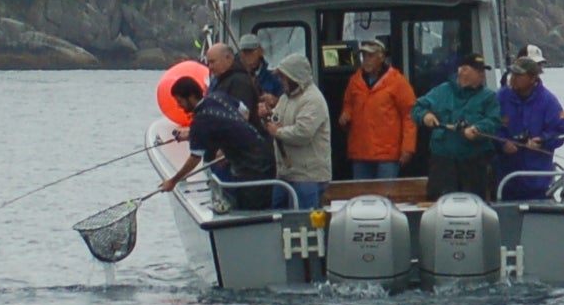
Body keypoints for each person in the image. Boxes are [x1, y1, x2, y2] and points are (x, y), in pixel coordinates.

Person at [161, 55, 276, 204]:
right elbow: (244, 112)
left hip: (251, 167)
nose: (179, 106)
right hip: (265, 154)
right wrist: (230, 145)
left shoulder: (201, 120)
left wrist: (173, 181)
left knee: (249, 206)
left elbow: (195, 158)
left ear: (191, 97)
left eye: (180, 101)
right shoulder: (219, 97)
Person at [412, 54, 502, 200]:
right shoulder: (441, 91)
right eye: (478, 71)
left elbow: (494, 121)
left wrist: (478, 129)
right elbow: (417, 108)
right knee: (439, 203)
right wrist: (425, 116)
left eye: (483, 71)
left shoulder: (489, 97)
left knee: (474, 205)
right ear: (463, 71)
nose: (482, 74)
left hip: (474, 164)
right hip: (443, 164)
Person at [494, 49, 564, 200]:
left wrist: (541, 141)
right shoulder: (501, 97)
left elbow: (560, 131)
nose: (514, 78)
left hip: (537, 180)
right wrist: (502, 143)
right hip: (504, 179)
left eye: (519, 75)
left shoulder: (549, 101)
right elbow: (492, 125)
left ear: (532, 78)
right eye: (513, 74)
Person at [337, 35, 418, 179]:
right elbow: (348, 104)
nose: (366, 59)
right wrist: (345, 115)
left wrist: (407, 148)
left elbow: (410, 115)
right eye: (363, 55)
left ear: (381, 57)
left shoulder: (398, 82)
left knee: (385, 197)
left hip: (387, 155)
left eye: (371, 55)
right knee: (362, 199)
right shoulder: (355, 81)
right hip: (360, 152)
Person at [267, 54, 331, 207]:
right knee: (279, 219)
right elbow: (277, 120)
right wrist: (268, 114)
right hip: (285, 175)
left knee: (303, 225)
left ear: (295, 77)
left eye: (284, 77)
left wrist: (277, 132)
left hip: (308, 178)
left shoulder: (313, 99)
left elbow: (303, 133)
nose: (281, 81)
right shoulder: (285, 98)